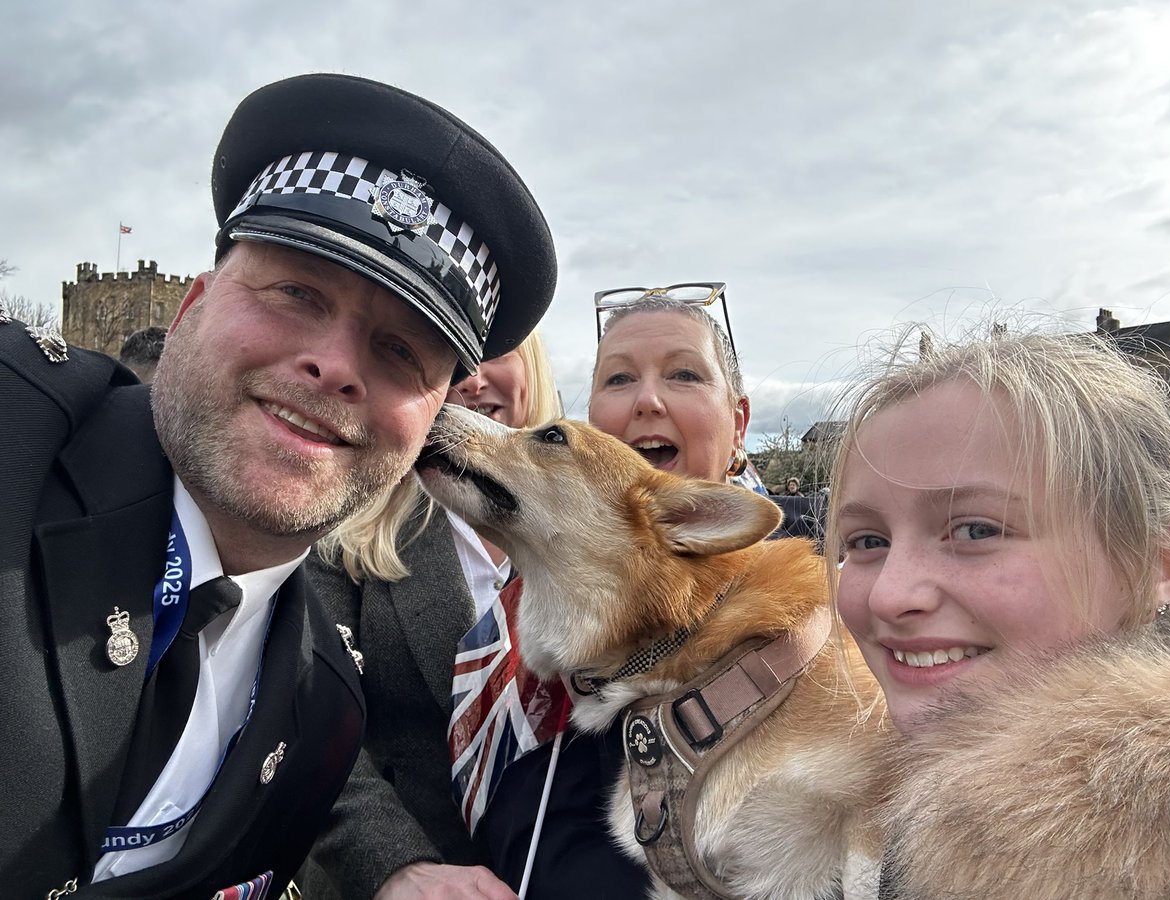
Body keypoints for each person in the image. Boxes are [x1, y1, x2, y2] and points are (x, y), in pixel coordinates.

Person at [0, 72, 554, 900]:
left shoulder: (322, 707)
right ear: (190, 307)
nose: (334, 365)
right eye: (296, 292)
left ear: (435, 416)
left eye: (401, 351)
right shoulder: (19, 429)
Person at [826, 328, 1170, 897]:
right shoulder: (858, 807)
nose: (887, 596)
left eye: (976, 529)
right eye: (867, 541)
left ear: (1159, 564)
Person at [476, 288, 751, 898]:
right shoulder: (528, 603)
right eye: (619, 378)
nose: (647, 400)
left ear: (738, 423)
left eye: (684, 374)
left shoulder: (828, 614)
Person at [298, 330, 560, 900]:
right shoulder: (341, 528)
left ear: (533, 364)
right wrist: (396, 865)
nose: (472, 376)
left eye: (496, 349)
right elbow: (306, 721)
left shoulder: (593, 535)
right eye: (447, 353)